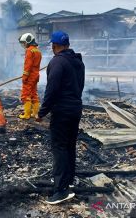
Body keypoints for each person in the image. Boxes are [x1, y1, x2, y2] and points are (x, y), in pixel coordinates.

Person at [36, 31, 85, 204]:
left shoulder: (57, 62)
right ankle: (68, 179)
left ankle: (61, 189)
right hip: (75, 109)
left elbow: (52, 90)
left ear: (54, 46)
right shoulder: (78, 61)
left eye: (52, 45)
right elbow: (80, 86)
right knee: (69, 145)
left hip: (62, 111)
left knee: (59, 148)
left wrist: (42, 112)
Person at [18, 33, 42, 119]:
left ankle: (27, 115)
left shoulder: (29, 50)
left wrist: (25, 77)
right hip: (36, 76)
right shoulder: (37, 51)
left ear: (28, 41)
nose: (24, 45)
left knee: (26, 95)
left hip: (30, 77)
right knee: (34, 94)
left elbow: (27, 65)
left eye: (24, 43)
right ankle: (35, 113)